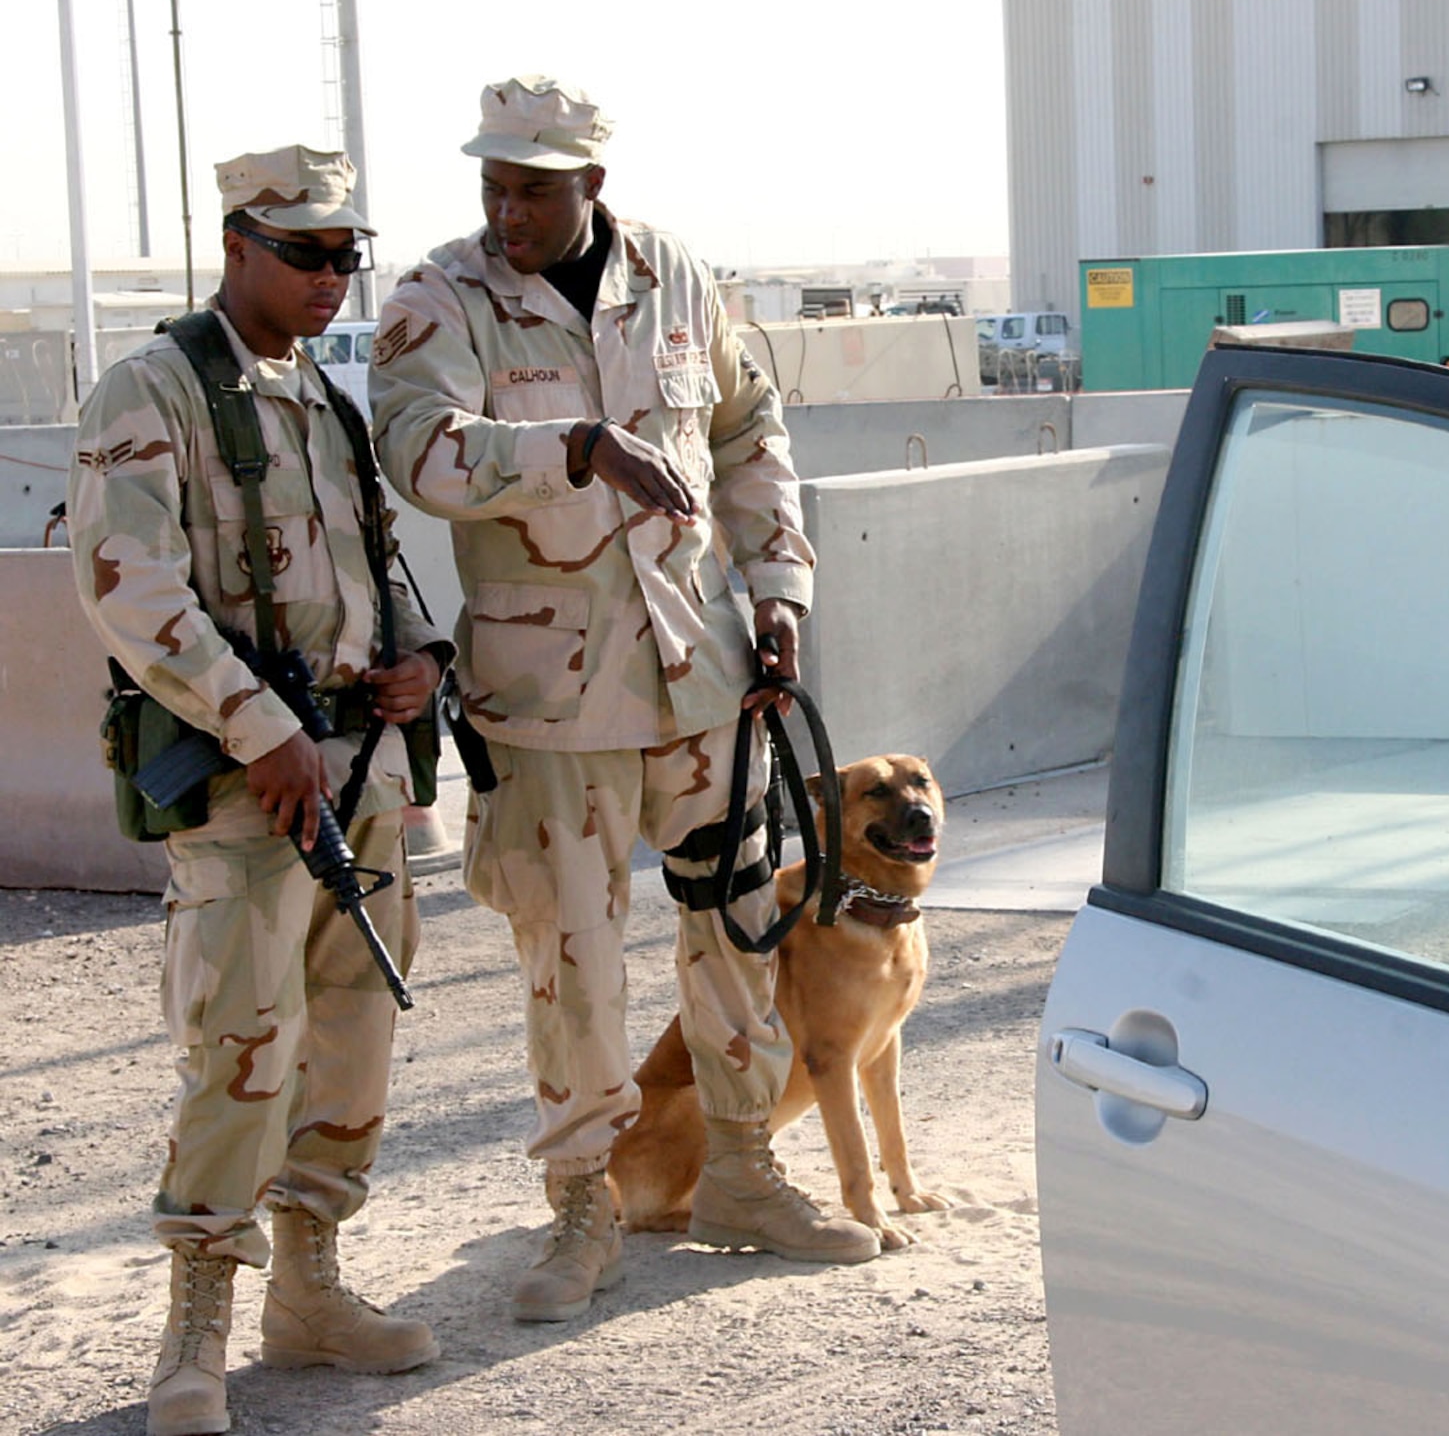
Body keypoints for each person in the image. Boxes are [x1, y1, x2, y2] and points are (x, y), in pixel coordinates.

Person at [370, 76, 878, 1325]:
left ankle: (742, 1170)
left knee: (738, 928)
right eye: (492, 184)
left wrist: (778, 589)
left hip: (700, 676)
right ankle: (582, 1208)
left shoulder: (675, 277)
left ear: (591, 183)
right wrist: (573, 446)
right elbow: (416, 450)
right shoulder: (441, 297)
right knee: (573, 958)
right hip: (547, 702)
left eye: (531, 189)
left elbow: (749, 431)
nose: (506, 210)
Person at [67, 146, 449, 1436]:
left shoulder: (324, 400)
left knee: (353, 1037)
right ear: (237, 245)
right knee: (240, 1045)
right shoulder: (155, 388)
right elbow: (128, 586)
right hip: (247, 789)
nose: (332, 277)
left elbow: (375, 565)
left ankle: (310, 1290)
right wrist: (256, 723)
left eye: (348, 255)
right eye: (307, 253)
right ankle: (197, 1326)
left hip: (357, 779)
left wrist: (419, 657)